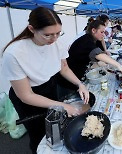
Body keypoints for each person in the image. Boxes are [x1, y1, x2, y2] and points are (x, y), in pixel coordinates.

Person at [1, 7, 89, 154]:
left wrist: (80, 84)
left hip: (48, 87)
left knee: (55, 127)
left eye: (57, 33)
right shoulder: (14, 53)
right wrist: (61, 105)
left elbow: (64, 68)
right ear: (31, 29)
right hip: (28, 97)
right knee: (38, 134)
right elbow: (26, 95)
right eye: (47, 35)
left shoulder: (56, 43)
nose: (54, 39)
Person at [57, 20, 122, 95]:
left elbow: (97, 55)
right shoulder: (86, 41)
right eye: (102, 32)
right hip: (68, 81)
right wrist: (118, 65)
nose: (104, 35)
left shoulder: (91, 39)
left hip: (76, 78)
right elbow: (98, 54)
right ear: (93, 30)